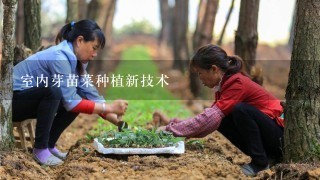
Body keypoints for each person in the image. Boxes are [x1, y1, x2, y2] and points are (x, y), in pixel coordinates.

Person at [155, 44, 284, 176]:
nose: (200, 79)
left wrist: (169, 130)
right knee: (222, 119)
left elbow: (208, 119)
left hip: (281, 137)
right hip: (272, 136)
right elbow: (207, 119)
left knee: (240, 110)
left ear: (214, 69)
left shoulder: (236, 84)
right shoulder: (226, 85)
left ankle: (260, 163)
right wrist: (173, 124)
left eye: (200, 73)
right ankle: (267, 157)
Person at [13, 19, 128, 166]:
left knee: (76, 95)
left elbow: (92, 96)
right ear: (80, 40)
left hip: (27, 100)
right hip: (11, 102)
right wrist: (110, 107)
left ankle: (49, 145)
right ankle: (40, 149)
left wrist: (121, 124)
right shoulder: (59, 57)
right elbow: (71, 103)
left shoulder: (76, 63)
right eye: (94, 47)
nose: (94, 54)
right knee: (54, 92)